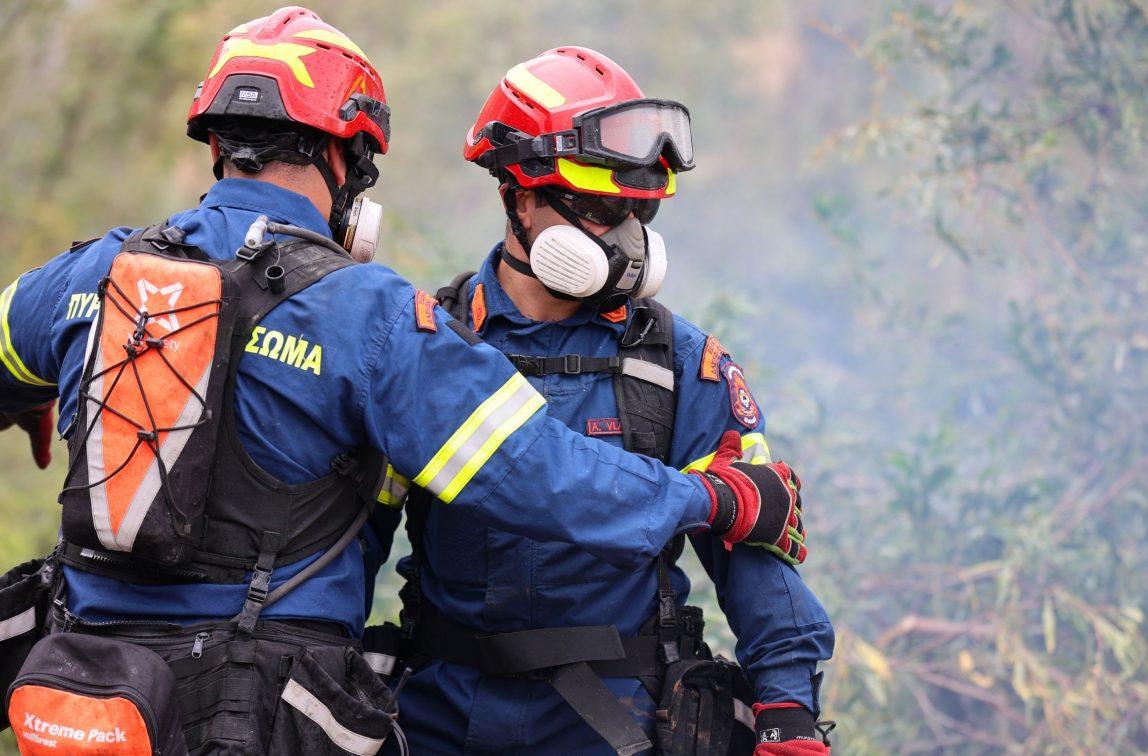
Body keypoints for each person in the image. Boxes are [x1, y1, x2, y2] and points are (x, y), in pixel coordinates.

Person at [0, 12, 807, 754]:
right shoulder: (374, 319)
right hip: (259, 713)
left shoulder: (90, 273)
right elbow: (539, 475)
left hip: (90, 695)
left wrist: (27, 393)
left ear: (219, 145)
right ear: (343, 153)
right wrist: (715, 499)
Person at [381, 47, 834, 755]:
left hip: (617, 725)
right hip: (440, 719)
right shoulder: (427, 348)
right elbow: (347, 540)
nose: (625, 235)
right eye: (598, 208)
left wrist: (788, 710)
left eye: (637, 208)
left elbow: (754, 557)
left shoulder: (681, 365)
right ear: (519, 195)